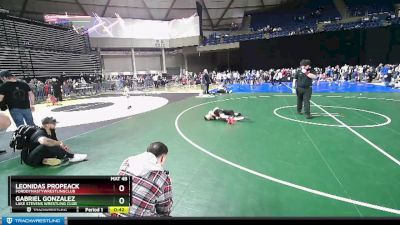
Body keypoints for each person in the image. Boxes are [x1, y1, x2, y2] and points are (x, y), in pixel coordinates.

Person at [118, 142, 172, 217]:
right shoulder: (163, 178)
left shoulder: (127, 161)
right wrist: (166, 183)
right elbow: (164, 209)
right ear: (162, 158)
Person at [21, 117, 88, 167]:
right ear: (47, 125)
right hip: (29, 159)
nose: (55, 125)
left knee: (54, 146)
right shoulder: (40, 132)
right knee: (46, 145)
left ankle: (44, 160)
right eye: (53, 124)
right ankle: (71, 157)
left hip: (38, 155)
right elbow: (44, 141)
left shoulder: (51, 131)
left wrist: (61, 145)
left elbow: (55, 141)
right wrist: (58, 143)